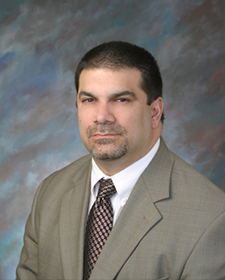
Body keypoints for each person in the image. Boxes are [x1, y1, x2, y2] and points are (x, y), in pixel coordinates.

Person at [16, 41, 225, 280]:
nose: (102, 117)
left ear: (154, 112)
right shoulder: (50, 191)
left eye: (121, 99)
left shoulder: (213, 219)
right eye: (89, 100)